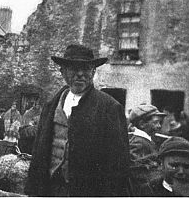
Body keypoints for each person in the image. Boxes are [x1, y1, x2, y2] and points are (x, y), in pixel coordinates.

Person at [26, 43, 130, 196]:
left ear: (93, 72)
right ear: (63, 72)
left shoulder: (110, 108)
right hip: (50, 189)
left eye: (86, 69)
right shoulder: (51, 106)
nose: (80, 74)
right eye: (74, 68)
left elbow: (119, 166)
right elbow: (38, 153)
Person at [128, 103, 167, 195]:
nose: (159, 126)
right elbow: (137, 173)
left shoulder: (145, 140)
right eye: (155, 122)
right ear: (142, 124)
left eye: (159, 122)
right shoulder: (138, 143)